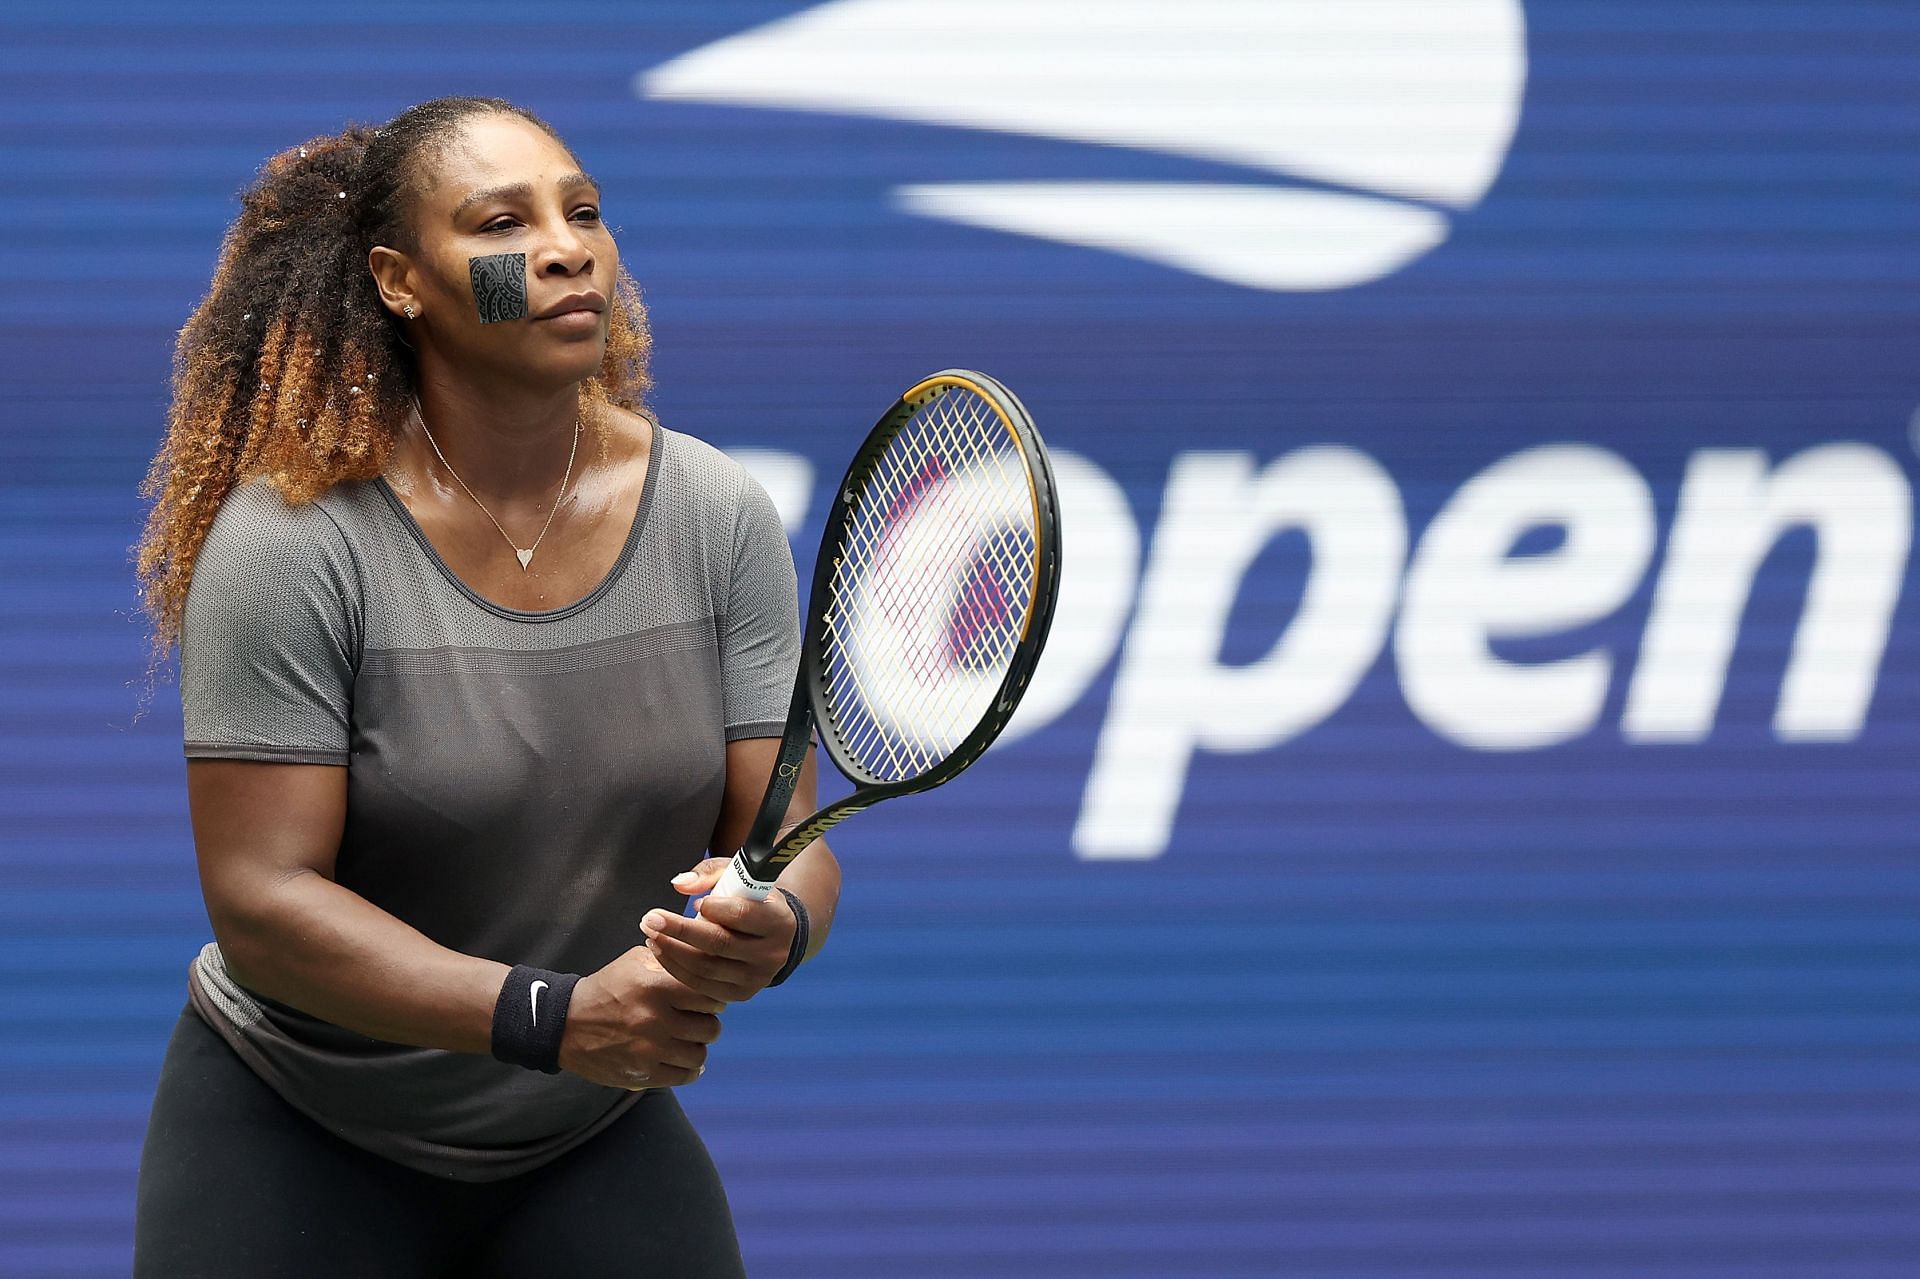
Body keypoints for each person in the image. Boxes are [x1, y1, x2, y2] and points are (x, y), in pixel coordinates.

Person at [128, 95, 840, 1278]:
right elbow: (261, 901)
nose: (566, 248)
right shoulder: (295, 541)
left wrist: (774, 924)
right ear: (401, 281)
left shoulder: (714, 515)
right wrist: (555, 1019)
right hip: (295, 1126)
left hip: (582, 1130)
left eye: (585, 213)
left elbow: (789, 838)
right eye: (501, 224)